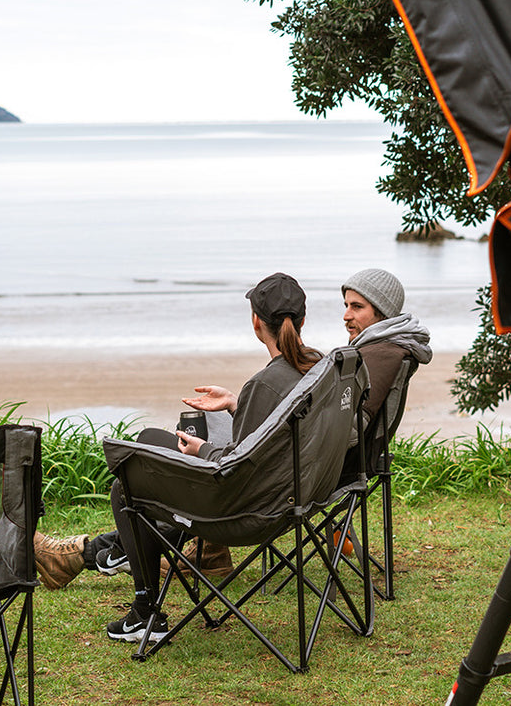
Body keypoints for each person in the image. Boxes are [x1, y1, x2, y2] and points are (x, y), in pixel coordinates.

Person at [31, 272, 323, 644]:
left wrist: (200, 450)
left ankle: (144, 609)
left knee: (129, 485)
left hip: (244, 511)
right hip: (295, 496)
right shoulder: (319, 369)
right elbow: (276, 436)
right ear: (302, 319)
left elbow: (236, 463)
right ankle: (111, 552)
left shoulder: (265, 384)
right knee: (150, 439)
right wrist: (237, 404)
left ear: (256, 323)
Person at [340, 267, 432, 436]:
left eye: (357, 307)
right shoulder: (378, 348)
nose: (346, 316)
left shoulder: (381, 355)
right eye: (346, 305)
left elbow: (350, 433)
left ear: (383, 312)